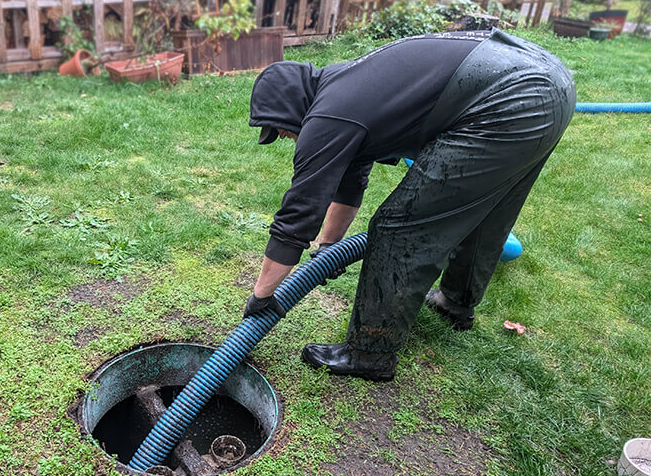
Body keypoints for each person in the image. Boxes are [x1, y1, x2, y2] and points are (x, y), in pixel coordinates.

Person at [244, 29, 575, 381]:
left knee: (398, 228)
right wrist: (328, 247)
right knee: (485, 212)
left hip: (507, 97)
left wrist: (262, 296)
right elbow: (350, 184)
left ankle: (370, 352)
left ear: (291, 105)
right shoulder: (346, 88)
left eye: (278, 129)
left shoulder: (329, 117)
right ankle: (455, 303)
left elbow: (298, 216)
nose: (283, 137)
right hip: (548, 85)